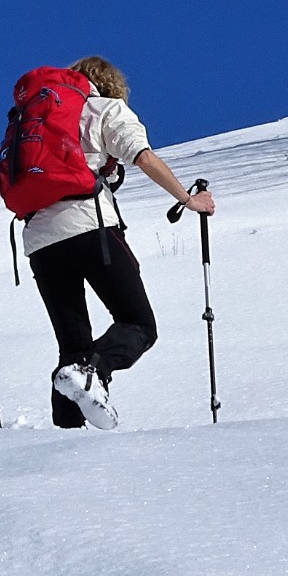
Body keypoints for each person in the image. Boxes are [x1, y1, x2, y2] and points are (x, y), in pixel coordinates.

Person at [22, 55, 214, 429]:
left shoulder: (38, 117)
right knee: (139, 324)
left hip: (40, 241)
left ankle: (65, 440)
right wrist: (187, 200)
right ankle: (94, 371)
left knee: (71, 347)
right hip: (89, 227)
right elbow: (143, 157)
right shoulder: (105, 109)